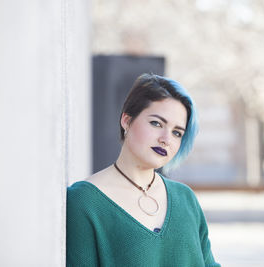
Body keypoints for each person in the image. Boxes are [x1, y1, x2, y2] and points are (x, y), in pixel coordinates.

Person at [66, 73, 221, 267]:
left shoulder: (185, 198)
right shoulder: (84, 201)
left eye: (177, 132)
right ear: (126, 121)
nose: (166, 138)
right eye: (156, 123)